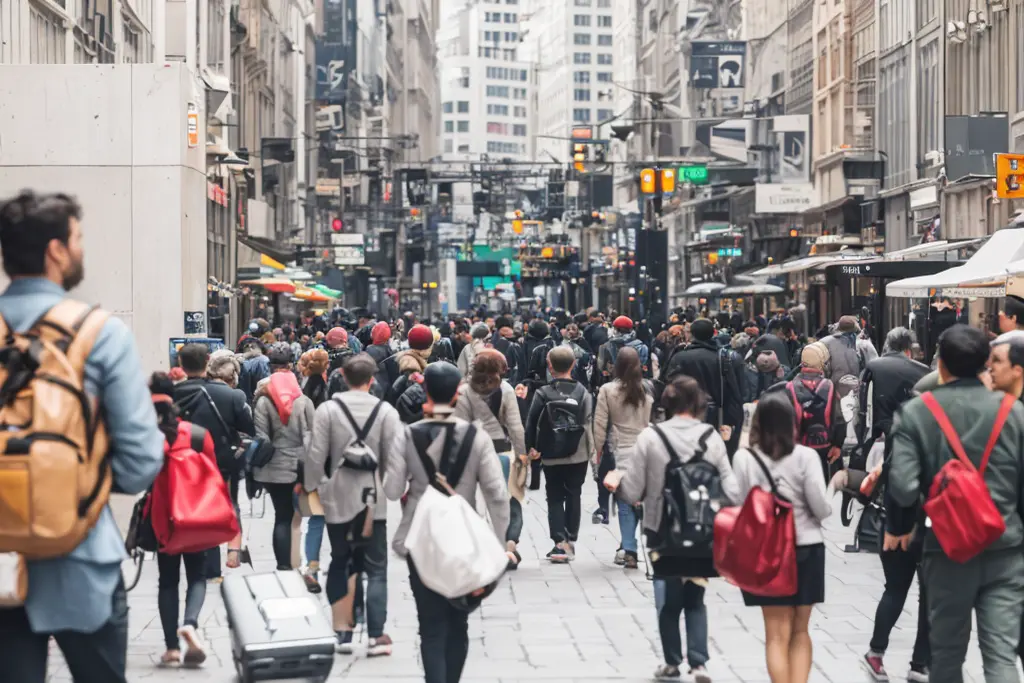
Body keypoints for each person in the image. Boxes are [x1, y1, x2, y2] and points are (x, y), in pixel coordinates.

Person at [0, 190, 164, 682]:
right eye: (77, 238)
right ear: (55, 250)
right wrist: (63, 477)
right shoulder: (100, 334)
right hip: (81, 555)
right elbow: (139, 464)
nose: (81, 249)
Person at [889, 324, 1024, 683]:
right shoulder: (1016, 413)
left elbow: (902, 487)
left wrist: (916, 512)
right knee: (1000, 655)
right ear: (985, 364)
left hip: (947, 549)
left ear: (941, 365)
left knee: (947, 655)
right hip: (1006, 549)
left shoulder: (917, 412)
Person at [382, 363, 510, 683]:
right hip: (462, 538)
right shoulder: (476, 436)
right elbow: (496, 492)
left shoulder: (407, 434)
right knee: (459, 622)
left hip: (420, 538)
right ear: (457, 394)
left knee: (431, 627)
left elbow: (392, 488)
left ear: (425, 391)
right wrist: (501, 540)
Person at [603, 376, 738, 682]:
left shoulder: (651, 438)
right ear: (698, 402)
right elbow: (731, 489)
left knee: (667, 598)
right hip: (702, 529)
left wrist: (616, 483)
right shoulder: (711, 437)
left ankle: (672, 662)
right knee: (696, 597)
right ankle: (700, 662)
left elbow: (634, 490)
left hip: (661, 529)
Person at [304, 353, 402, 656]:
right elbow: (396, 460)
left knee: (343, 561)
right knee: (375, 567)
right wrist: (391, 490)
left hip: (338, 496)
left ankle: (343, 632)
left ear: (343, 377)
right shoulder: (386, 412)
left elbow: (316, 455)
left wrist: (314, 486)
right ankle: (375, 635)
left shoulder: (328, 410)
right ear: (372, 380)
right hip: (373, 499)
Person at [732, 393, 832, 683]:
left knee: (775, 634)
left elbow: (737, 503)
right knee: (800, 630)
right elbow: (821, 508)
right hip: (806, 548)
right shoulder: (806, 457)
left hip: (765, 553)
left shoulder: (744, 458)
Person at [174, 343, 255, 579]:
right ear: (207, 361)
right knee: (228, 503)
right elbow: (248, 428)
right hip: (221, 461)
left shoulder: (174, 393)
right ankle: (231, 550)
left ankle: (204, 563)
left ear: (181, 365)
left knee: (197, 509)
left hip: (185, 462)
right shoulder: (229, 395)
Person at [150, 372, 212, 668]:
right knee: (198, 575)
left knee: (167, 580)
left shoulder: (149, 435)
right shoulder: (196, 434)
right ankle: (190, 623)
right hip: (196, 515)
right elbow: (212, 474)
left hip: (164, 518)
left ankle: (172, 648)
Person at [454, 348, 528, 569]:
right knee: (511, 500)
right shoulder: (505, 389)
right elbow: (515, 426)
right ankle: (509, 545)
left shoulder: (464, 391)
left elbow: (460, 427)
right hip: (503, 452)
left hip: (473, 454)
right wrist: (522, 454)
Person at [526, 346, 595, 562]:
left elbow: (531, 423)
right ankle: (571, 539)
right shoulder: (583, 392)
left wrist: (531, 447)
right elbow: (588, 420)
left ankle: (559, 542)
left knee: (554, 495)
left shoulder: (542, 393)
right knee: (574, 493)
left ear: (549, 366)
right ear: (574, 365)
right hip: (578, 451)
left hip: (551, 450)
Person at [253, 342, 315, 570]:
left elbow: (261, 437)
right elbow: (311, 437)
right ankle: (294, 561)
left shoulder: (262, 399)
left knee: (281, 515)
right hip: (298, 466)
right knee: (293, 517)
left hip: (272, 468)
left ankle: (283, 565)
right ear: (291, 367)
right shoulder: (303, 400)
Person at [593, 347, 653, 568]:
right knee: (640, 498)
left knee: (624, 500)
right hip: (646, 449)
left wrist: (597, 453)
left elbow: (600, 424)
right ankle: (633, 542)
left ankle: (629, 547)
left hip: (618, 452)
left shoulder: (607, 390)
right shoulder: (648, 389)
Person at [664, 318, 745, 456]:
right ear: (713, 333)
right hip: (719, 417)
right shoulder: (726, 357)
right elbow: (738, 391)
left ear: (692, 334)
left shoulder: (681, 357)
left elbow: (669, 386)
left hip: (687, 417)